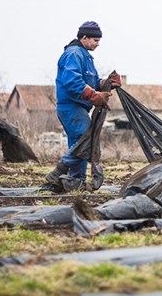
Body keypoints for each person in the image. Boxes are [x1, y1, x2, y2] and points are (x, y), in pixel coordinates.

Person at [45, 21, 121, 193]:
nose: (97, 44)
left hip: (77, 107)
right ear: (84, 37)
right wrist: (94, 96)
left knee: (78, 144)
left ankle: (74, 181)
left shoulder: (85, 56)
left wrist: (106, 83)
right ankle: (58, 172)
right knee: (84, 141)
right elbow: (72, 82)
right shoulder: (74, 54)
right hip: (71, 107)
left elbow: (92, 82)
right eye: (95, 40)